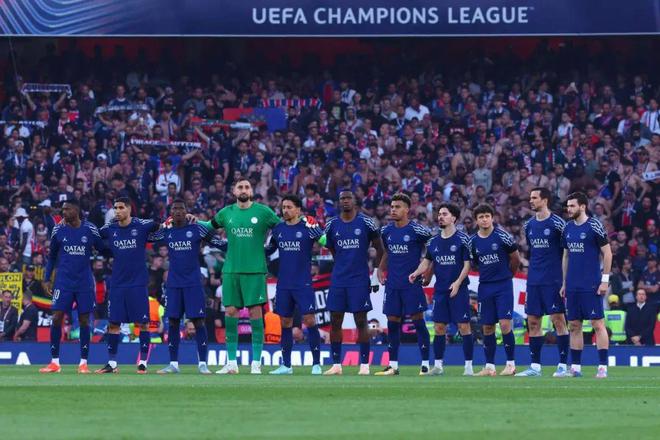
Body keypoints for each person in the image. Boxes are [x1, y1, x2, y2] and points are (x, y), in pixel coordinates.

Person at [201, 178, 281, 375]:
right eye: (240, 187)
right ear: (234, 191)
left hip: (255, 270)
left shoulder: (263, 212)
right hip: (231, 270)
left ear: (251, 191)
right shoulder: (226, 212)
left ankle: (256, 363)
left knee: (255, 314)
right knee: (230, 313)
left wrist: (273, 246)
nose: (244, 190)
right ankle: (231, 363)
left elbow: (282, 229)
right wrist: (193, 221)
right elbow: (208, 226)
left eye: (247, 187)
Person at [151, 199, 227, 375]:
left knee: (198, 321)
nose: (178, 211)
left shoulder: (197, 228)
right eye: (174, 209)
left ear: (186, 212)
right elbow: (147, 236)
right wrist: (163, 223)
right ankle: (173, 364)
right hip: (174, 284)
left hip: (193, 283)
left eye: (181, 209)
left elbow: (220, 243)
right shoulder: (167, 230)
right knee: (173, 321)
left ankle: (203, 364)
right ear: (171, 212)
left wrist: (239, 245)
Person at [96, 197, 164, 374]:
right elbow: (93, 235)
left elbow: (161, 226)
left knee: (142, 323)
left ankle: (143, 362)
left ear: (129, 209)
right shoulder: (110, 228)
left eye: (121, 207)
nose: (117, 211)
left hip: (137, 284)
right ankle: (112, 364)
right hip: (117, 284)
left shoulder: (141, 225)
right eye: (115, 208)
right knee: (113, 324)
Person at [39, 199, 106, 374]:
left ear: (76, 210)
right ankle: (54, 362)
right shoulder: (58, 230)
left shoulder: (90, 228)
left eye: (67, 209)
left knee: (84, 320)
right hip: (63, 282)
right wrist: (46, 279)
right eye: (62, 209)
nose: (63, 212)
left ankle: (83, 363)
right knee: (56, 318)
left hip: (84, 282)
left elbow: (102, 248)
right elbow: (52, 257)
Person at [323, 190, 384, 376]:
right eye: (342, 198)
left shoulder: (366, 222)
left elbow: (380, 248)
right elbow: (332, 249)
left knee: (361, 320)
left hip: (359, 279)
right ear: (339, 202)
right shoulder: (332, 224)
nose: (345, 201)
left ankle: (364, 365)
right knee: (335, 320)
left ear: (355, 201)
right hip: (339, 279)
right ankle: (336, 365)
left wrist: (376, 273)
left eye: (348, 198)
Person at [409, 203, 474, 376]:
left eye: (444, 214)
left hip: (459, 289)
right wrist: (416, 273)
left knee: (464, 326)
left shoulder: (463, 239)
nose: (440, 217)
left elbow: (467, 265)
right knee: (439, 327)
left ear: (454, 218)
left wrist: (458, 283)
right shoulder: (433, 241)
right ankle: (438, 366)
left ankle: (468, 367)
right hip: (440, 290)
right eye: (439, 214)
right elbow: (427, 262)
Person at [267, 194, 325, 375]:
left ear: (298, 209)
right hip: (284, 284)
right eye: (283, 207)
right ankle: (286, 365)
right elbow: (269, 249)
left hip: (303, 283)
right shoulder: (278, 229)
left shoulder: (308, 227)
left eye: (289, 207)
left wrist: (318, 229)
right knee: (285, 322)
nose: (285, 210)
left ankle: (316, 364)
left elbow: (326, 242)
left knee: (309, 320)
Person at [375, 193, 432, 376]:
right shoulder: (386, 231)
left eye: (397, 207)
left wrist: (428, 272)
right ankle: (393, 366)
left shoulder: (418, 230)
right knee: (392, 323)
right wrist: (380, 268)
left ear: (407, 210)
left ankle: (425, 365)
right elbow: (387, 252)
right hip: (392, 284)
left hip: (411, 284)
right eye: (392, 206)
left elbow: (435, 249)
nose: (393, 210)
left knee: (418, 322)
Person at [516, 188, 570, 377]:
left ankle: (562, 366)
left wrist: (564, 280)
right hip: (534, 280)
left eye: (534, 198)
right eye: (530, 197)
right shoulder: (529, 225)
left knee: (558, 320)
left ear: (545, 200)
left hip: (553, 280)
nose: (530, 201)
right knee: (533, 321)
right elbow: (534, 252)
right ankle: (535, 367)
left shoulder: (558, 224)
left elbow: (566, 253)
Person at [561, 192, 613, 378]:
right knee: (574, 325)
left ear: (582, 207)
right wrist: (564, 282)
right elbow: (566, 256)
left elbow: (608, 253)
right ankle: (575, 368)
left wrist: (604, 280)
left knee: (597, 324)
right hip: (573, 285)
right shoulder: (567, 228)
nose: (569, 209)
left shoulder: (594, 225)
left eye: (572, 206)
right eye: (568, 206)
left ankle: (602, 367)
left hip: (591, 284)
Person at [469, 204, 521, 376]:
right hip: (485, 286)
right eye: (481, 217)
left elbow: (515, 258)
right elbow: (475, 262)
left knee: (505, 324)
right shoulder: (472, 241)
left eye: (487, 216)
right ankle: (489, 366)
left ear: (492, 218)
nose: (484, 219)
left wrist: (508, 275)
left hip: (503, 286)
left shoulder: (502, 236)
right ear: (476, 220)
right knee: (487, 327)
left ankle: (511, 364)